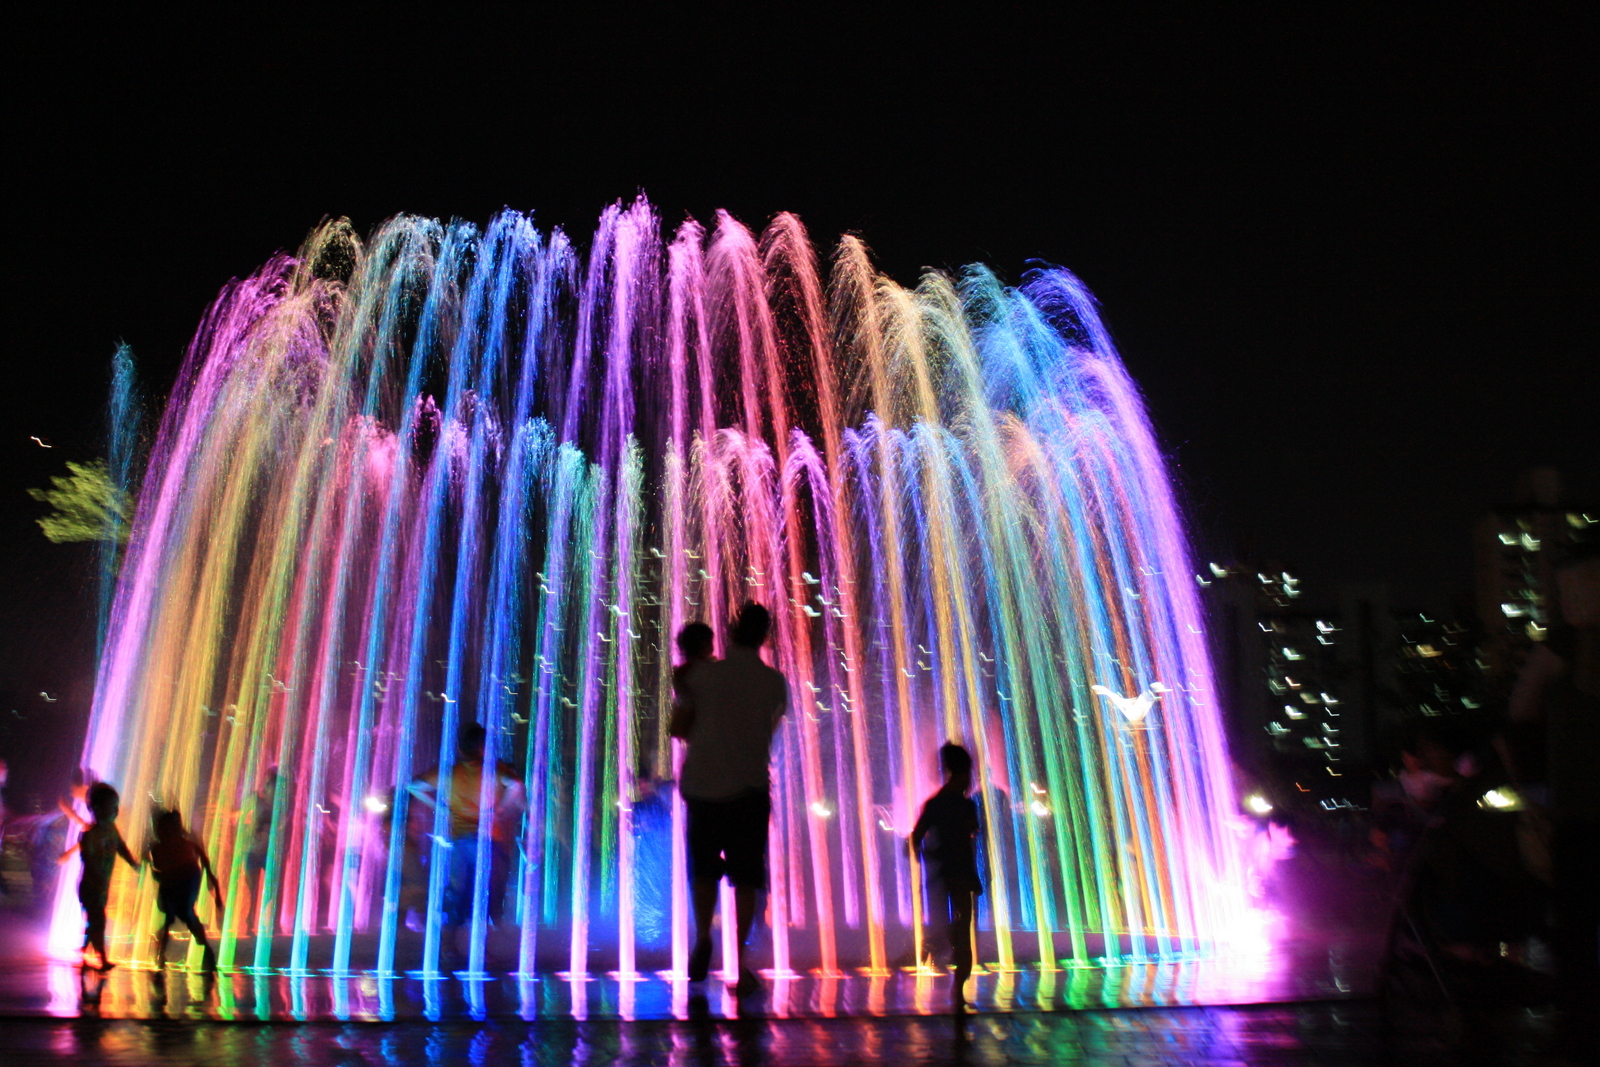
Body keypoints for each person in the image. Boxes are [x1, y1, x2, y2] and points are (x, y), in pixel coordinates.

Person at [1508, 541, 1600, 1056]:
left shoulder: (1560, 646)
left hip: (1578, 811)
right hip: (1579, 809)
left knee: (1577, 923)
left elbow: (1521, 706)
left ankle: (1580, 1021)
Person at [674, 602, 788, 994]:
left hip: (703, 788)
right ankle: (737, 960)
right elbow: (770, 730)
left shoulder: (705, 675)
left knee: (704, 870)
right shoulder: (775, 682)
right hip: (749, 791)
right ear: (764, 637)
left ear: (732, 630)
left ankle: (704, 935)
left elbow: (680, 719)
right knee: (746, 877)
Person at [408, 722, 523, 958]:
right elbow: (517, 786)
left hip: (460, 841)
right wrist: (501, 809)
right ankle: (483, 947)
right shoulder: (494, 769)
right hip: (488, 841)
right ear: (482, 746)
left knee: (459, 891)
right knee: (486, 892)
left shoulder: (447, 772)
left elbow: (413, 786)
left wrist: (439, 806)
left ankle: (449, 945)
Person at [912, 742, 983, 1011]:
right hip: (960, 876)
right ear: (961, 772)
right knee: (962, 933)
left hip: (941, 877)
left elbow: (915, 838)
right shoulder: (965, 806)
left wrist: (926, 858)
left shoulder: (935, 804)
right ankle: (957, 990)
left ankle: (940, 946)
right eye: (968, 772)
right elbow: (971, 838)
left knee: (951, 930)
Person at [60, 782, 136, 971]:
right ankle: (102, 960)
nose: (116, 810)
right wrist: (99, 876)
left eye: (116, 806)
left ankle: (85, 951)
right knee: (98, 920)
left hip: (101, 886)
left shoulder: (111, 830)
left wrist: (135, 864)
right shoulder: (90, 833)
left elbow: (122, 848)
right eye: (112, 806)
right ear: (97, 808)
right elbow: (88, 858)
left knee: (93, 920)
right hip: (90, 886)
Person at [145, 808, 224, 970]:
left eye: (172, 828)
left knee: (183, 915)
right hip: (177, 882)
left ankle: (203, 951)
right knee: (178, 916)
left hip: (186, 880)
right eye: (163, 829)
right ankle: (164, 953)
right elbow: (159, 871)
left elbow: (206, 865)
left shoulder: (184, 846)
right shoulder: (158, 849)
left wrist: (216, 893)